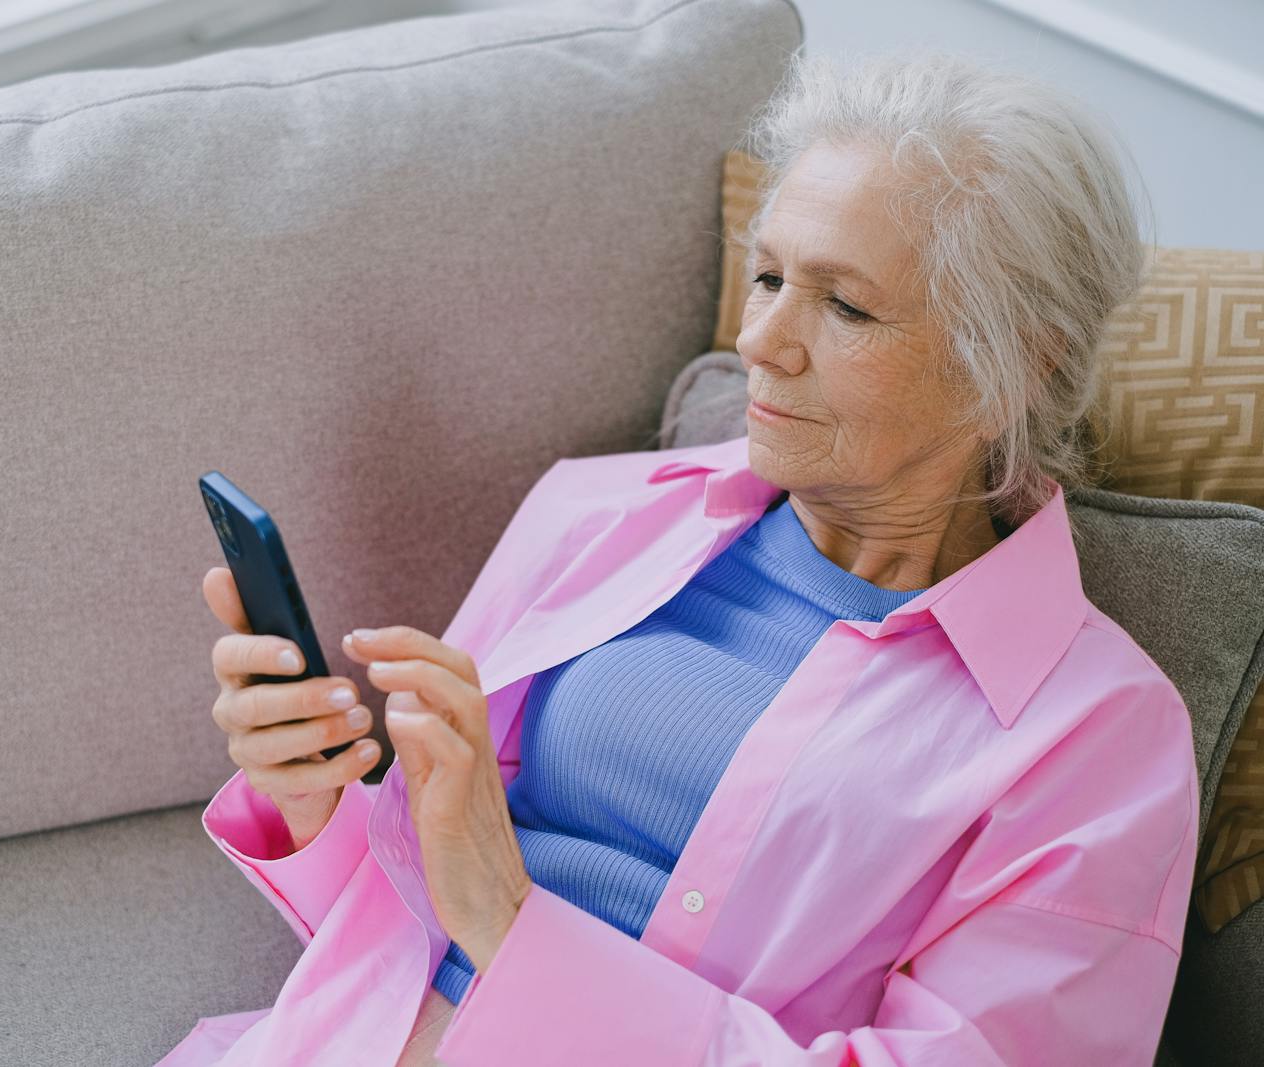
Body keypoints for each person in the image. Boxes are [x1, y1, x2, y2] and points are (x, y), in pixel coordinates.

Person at [157, 52, 1198, 1066]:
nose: (764, 340)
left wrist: (512, 922)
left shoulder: (1099, 738)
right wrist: (314, 791)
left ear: (1016, 359)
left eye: (843, 304)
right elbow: (395, 920)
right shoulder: (597, 510)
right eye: (769, 276)